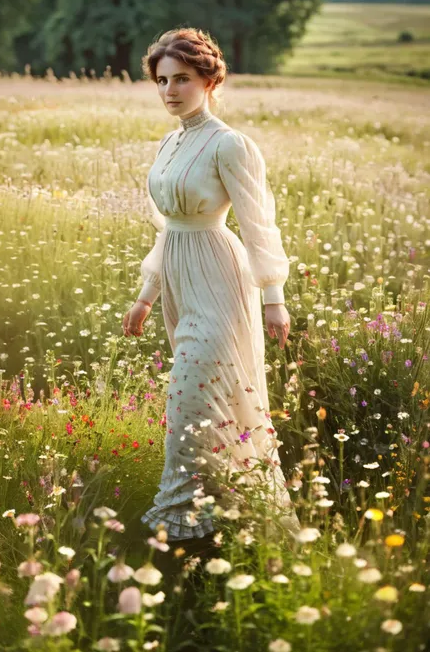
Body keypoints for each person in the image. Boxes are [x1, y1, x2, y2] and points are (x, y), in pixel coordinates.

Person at [122, 27, 300, 542]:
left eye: (182, 79)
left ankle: (178, 531)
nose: (169, 91)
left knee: (188, 407)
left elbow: (258, 222)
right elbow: (168, 228)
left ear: (209, 79)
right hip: (179, 276)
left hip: (220, 279)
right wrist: (145, 294)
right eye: (161, 81)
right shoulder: (170, 140)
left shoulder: (231, 144)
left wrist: (274, 298)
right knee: (205, 410)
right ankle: (221, 521)